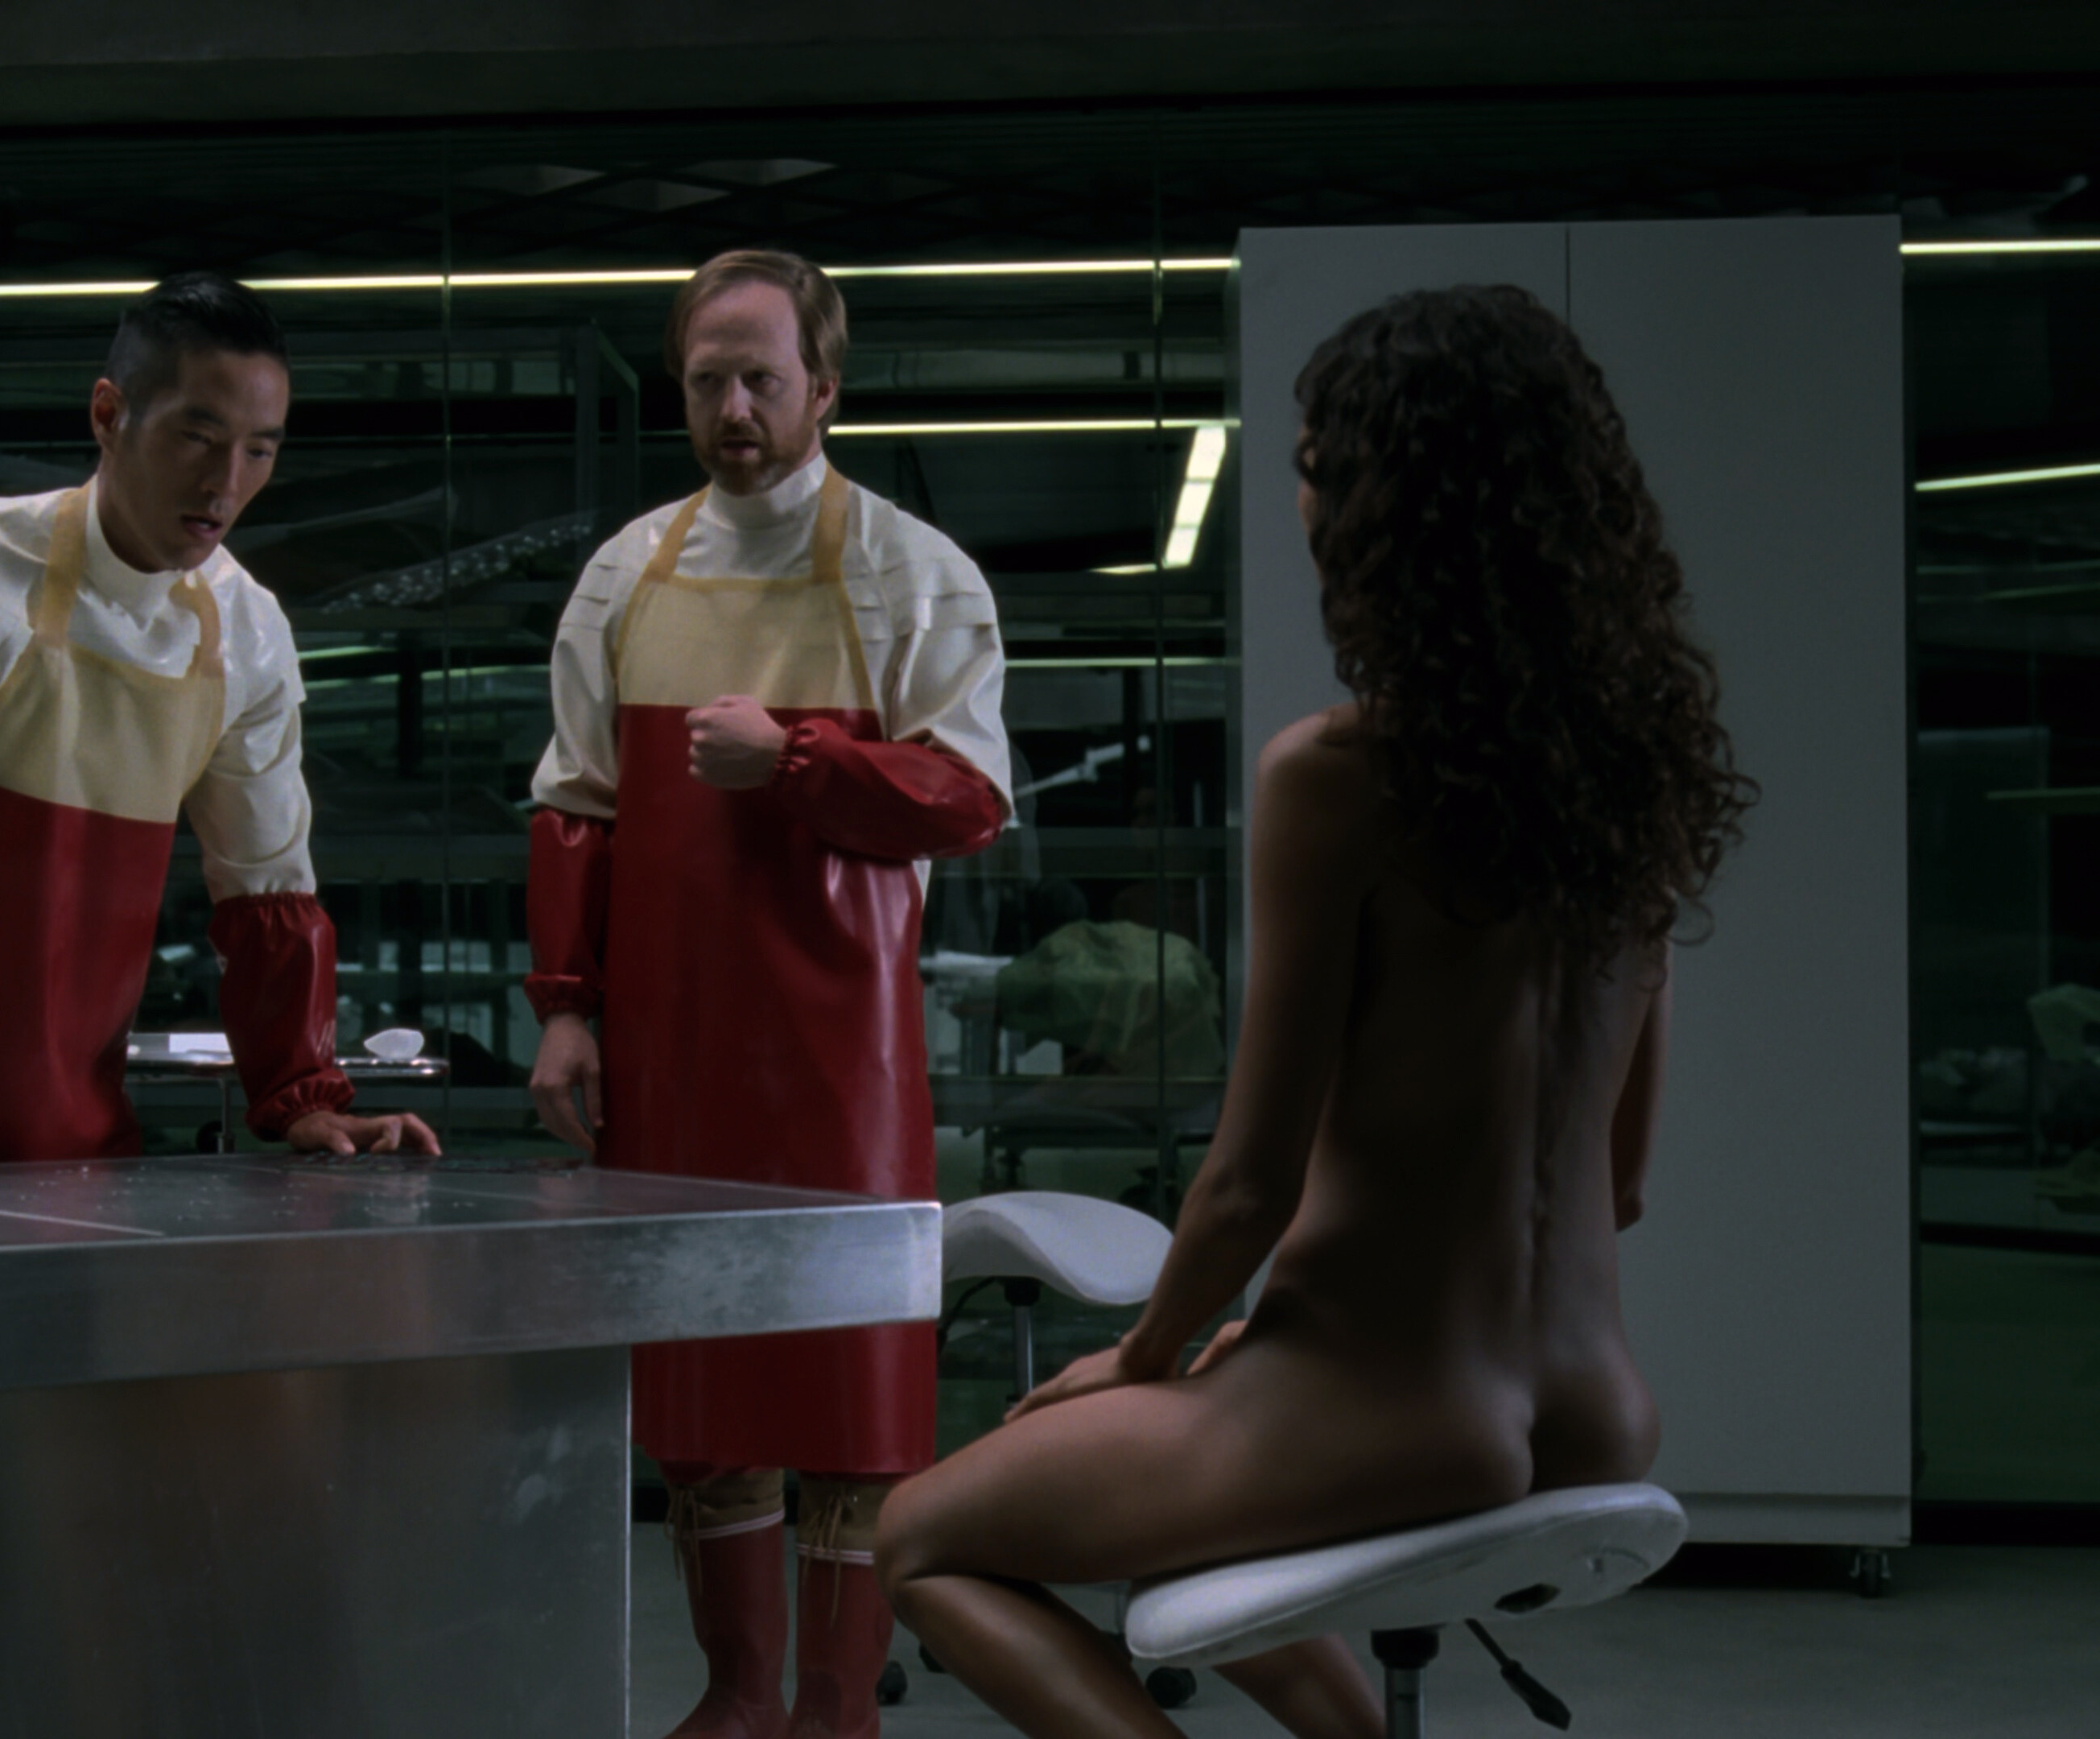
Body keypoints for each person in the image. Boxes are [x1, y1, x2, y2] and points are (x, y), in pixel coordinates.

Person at [872, 284, 1756, 1738]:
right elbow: (1623, 1180)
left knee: (920, 1537)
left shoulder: (1336, 777)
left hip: (1388, 1407)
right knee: (1173, 1502)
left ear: (1380, 510)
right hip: (1597, 1405)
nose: (1300, 498)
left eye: (1312, 466)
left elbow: (1249, 1183)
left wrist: (1146, 1357)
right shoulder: (1630, 789)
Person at [526, 249, 1013, 1739]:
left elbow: (970, 797)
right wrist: (565, 1008)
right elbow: (576, 805)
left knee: (853, 1396)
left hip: (847, 1058)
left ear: (825, 388)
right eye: (706, 382)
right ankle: (739, 1698)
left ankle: (834, 1708)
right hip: (669, 1049)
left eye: (760, 379)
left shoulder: (915, 569)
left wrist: (795, 760)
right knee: (702, 1387)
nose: (733, 409)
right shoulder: (624, 573)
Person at [0, 272, 438, 1171]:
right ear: (108, 415)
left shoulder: (248, 633)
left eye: (258, 450)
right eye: (197, 436)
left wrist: (302, 1097)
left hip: (85, 1150)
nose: (225, 483)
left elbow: (268, 891)